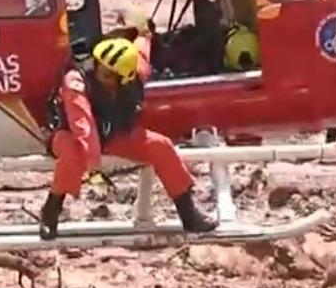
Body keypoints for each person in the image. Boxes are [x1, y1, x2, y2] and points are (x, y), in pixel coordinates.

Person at [39, 35, 218, 240]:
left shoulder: (136, 72)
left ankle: (188, 214)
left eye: (107, 74)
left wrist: (145, 33)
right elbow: (84, 127)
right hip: (68, 134)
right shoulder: (76, 83)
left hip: (115, 134)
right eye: (100, 68)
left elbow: (142, 51)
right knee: (72, 154)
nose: (100, 74)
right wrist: (94, 169)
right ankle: (50, 213)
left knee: (161, 146)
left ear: (123, 79)